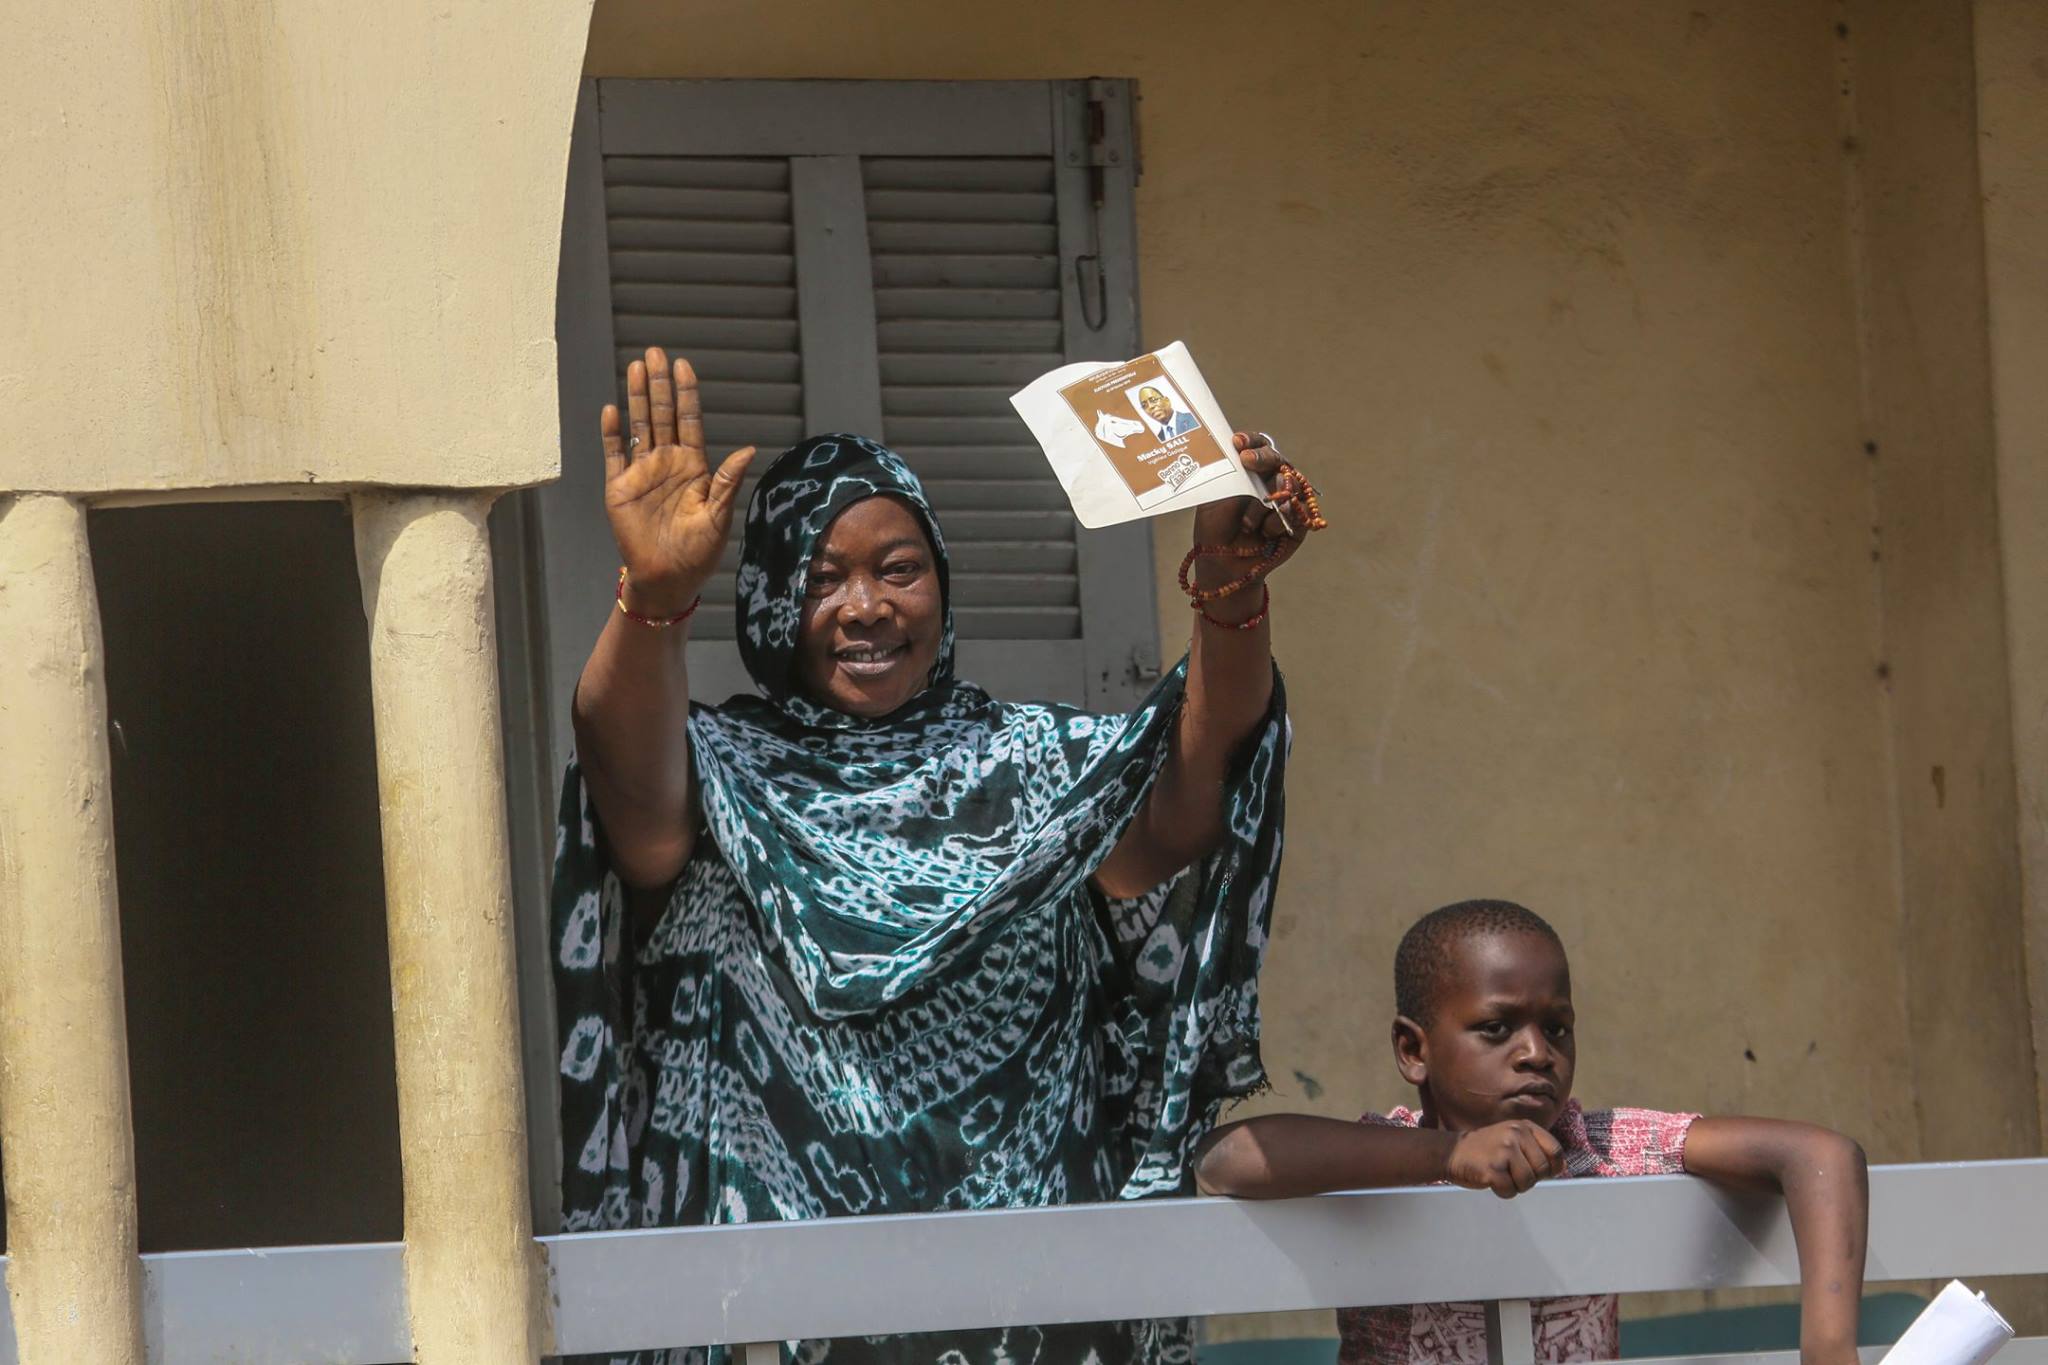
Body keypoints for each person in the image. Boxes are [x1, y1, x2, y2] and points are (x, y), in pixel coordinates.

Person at [553, 347, 1320, 1365]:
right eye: (821, 579)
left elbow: (1178, 812)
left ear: (941, 586)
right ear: (774, 599)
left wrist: (1224, 590)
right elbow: (627, 789)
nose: (864, 607)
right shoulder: (721, 768)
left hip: (1034, 1310)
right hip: (781, 1320)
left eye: (897, 570)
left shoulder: (1033, 762)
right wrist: (651, 600)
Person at [1192, 900, 1869, 1365]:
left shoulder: (1601, 1145)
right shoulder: (1387, 1151)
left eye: (1557, 1027)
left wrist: (1830, 1347)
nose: (1536, 1051)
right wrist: (1449, 1154)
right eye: (1497, 1027)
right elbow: (1226, 1160)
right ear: (1413, 1050)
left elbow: (1820, 1153)